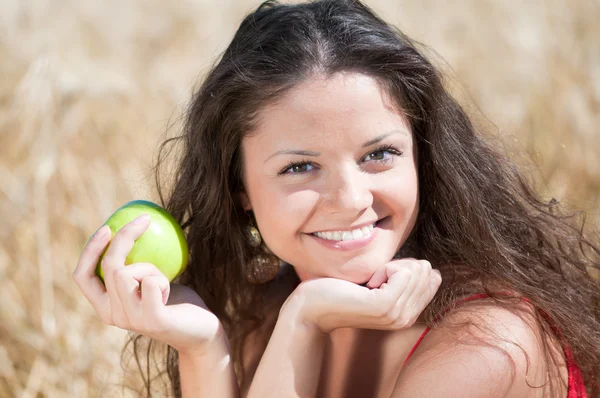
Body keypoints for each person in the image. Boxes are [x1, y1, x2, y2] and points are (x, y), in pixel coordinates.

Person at [73, 0, 600, 397]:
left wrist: (306, 315)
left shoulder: (488, 343)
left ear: (425, 156)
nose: (350, 199)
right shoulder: (262, 313)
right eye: (300, 167)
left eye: (380, 155)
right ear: (239, 192)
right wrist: (203, 345)